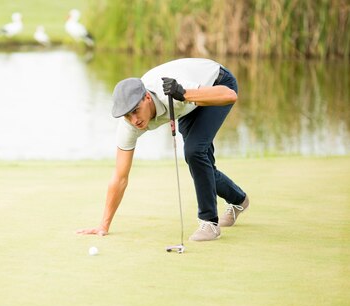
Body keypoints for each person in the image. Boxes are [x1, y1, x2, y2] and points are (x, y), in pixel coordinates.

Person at [77, 58, 249, 241]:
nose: (134, 119)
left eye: (136, 110)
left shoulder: (170, 91)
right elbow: (120, 177)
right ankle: (238, 200)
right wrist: (104, 225)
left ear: (148, 98)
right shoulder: (129, 126)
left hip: (215, 83)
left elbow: (229, 95)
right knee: (199, 159)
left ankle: (209, 223)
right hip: (187, 103)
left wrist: (183, 93)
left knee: (194, 151)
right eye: (127, 115)